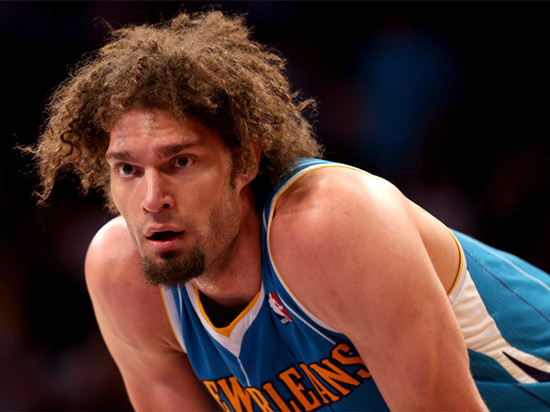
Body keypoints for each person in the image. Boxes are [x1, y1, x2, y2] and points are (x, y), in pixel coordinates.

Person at [26, 9, 550, 412]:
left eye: (180, 162)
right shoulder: (121, 274)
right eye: (128, 169)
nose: (151, 198)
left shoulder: (332, 223)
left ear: (245, 161)